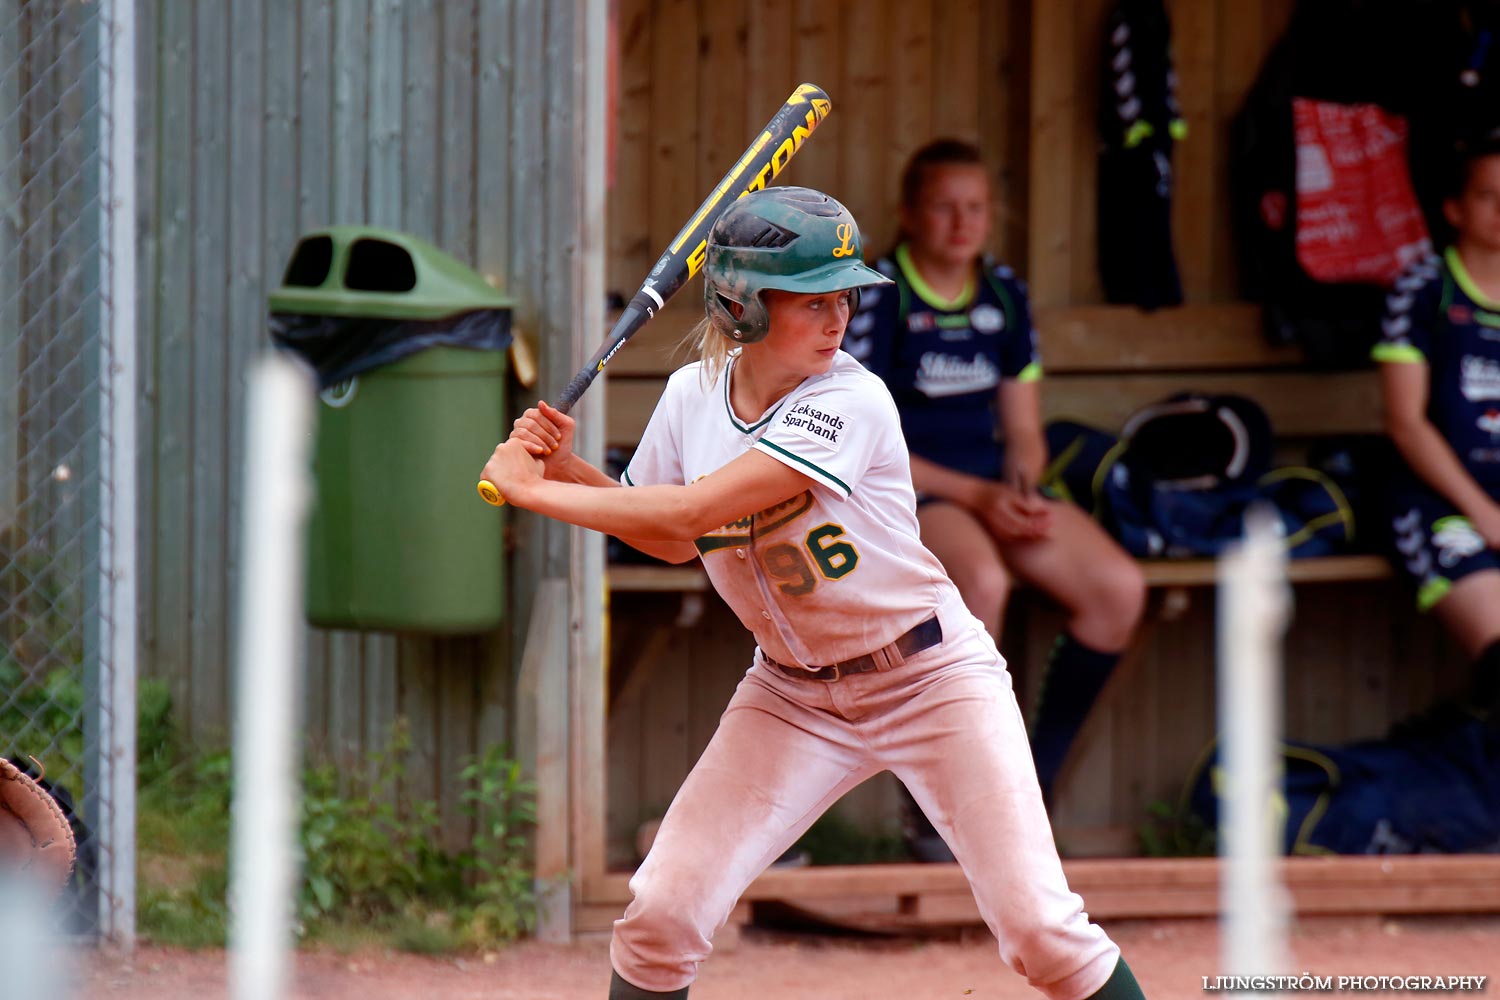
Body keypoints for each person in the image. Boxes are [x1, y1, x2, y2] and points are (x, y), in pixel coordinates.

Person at [481, 187, 1148, 1000]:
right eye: (812, 302)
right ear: (742, 307)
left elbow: (694, 508)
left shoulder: (851, 399)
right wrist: (566, 471)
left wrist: (530, 491)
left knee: (1044, 935)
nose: (838, 320)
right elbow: (664, 538)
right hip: (791, 696)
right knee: (659, 915)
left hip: (931, 679)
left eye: (844, 298)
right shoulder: (691, 397)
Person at [841, 140, 1146, 817]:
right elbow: (864, 443)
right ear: (909, 215)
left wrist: (1022, 490)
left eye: (976, 208)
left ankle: (1027, 793)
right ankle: (942, 808)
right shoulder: (879, 295)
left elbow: (1026, 429)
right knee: (981, 584)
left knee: (1118, 590)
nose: (962, 223)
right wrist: (979, 496)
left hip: (988, 489)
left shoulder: (1005, 291)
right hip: (904, 488)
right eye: (945, 208)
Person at [1373, 132, 1500, 726]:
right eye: (1487, 196)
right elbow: (1405, 423)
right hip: (1440, 505)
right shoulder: (1424, 288)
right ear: (1454, 208)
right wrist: (1486, 513)